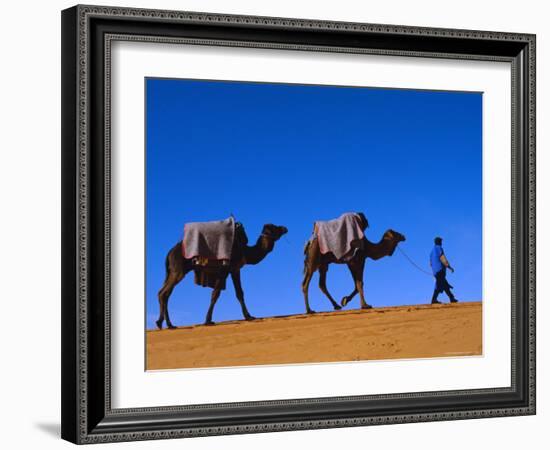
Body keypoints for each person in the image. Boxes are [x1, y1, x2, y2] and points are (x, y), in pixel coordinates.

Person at [429, 236, 458, 304]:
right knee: (439, 284)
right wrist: (449, 267)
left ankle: (451, 298)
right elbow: (442, 258)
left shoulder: (431, 252)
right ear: (439, 242)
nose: (441, 243)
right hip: (440, 270)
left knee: (444, 284)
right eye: (441, 241)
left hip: (435, 271)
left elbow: (430, 263)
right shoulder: (439, 248)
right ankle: (434, 300)